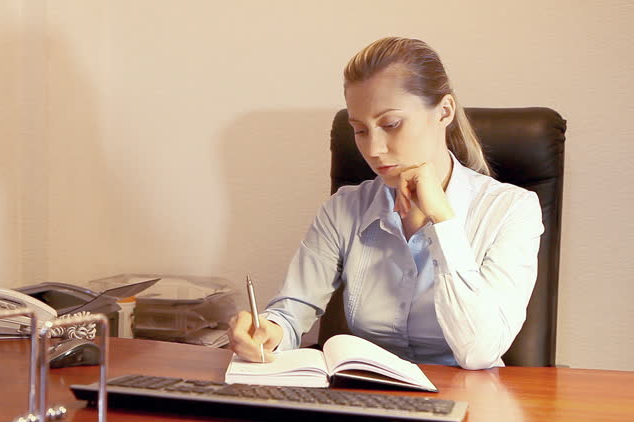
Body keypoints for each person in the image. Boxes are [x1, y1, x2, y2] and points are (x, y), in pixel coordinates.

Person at [227, 37, 543, 370]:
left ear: (444, 111)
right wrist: (267, 331)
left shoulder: (512, 210)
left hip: (471, 404)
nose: (374, 149)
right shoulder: (344, 210)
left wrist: (444, 220)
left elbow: (479, 352)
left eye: (391, 125)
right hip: (369, 398)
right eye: (360, 130)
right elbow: (290, 314)